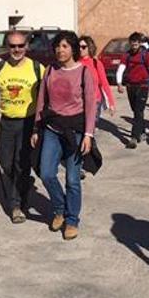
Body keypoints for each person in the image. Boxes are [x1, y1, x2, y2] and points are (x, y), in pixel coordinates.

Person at [31, 31, 97, 240]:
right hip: (52, 129)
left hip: (75, 132)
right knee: (46, 173)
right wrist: (35, 128)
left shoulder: (83, 72)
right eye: (58, 46)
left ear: (74, 49)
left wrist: (88, 134)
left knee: (72, 179)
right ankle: (59, 207)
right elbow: (41, 100)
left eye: (65, 46)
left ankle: (71, 220)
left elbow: (90, 105)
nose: (60, 50)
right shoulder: (50, 70)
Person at [0, 31, 45, 224]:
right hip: (7, 122)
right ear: (7, 47)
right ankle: (22, 185)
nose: (17, 50)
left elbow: (46, 93)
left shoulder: (36, 68)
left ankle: (16, 205)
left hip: (28, 122)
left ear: (27, 46)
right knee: (6, 162)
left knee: (20, 163)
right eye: (13, 46)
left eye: (20, 46)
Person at [116, 31, 149, 149]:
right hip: (130, 86)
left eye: (136, 45)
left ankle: (134, 138)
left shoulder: (146, 55)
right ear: (130, 44)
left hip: (143, 86)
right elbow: (121, 69)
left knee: (138, 110)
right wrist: (119, 83)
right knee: (136, 111)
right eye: (132, 45)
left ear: (140, 44)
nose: (134, 47)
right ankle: (142, 132)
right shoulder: (127, 55)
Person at [78, 35, 115, 123]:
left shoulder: (96, 63)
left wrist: (111, 102)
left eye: (83, 47)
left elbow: (104, 83)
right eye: (78, 47)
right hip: (79, 102)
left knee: (90, 128)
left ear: (89, 47)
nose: (80, 49)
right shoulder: (75, 63)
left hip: (94, 101)